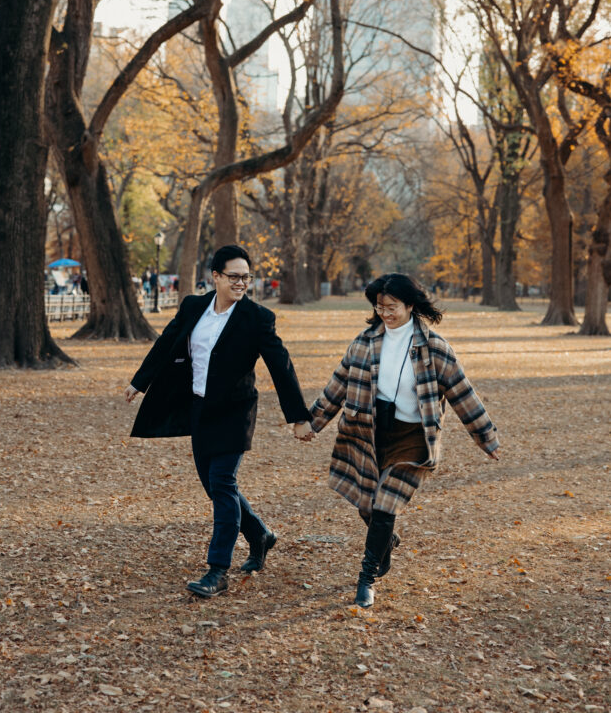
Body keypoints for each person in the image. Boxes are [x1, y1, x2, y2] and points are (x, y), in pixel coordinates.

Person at [125, 244, 314, 598]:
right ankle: (259, 534)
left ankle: (217, 570)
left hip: (235, 412)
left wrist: (298, 418)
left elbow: (281, 366)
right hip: (199, 410)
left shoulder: (257, 318)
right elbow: (167, 342)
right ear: (215, 276)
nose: (242, 283)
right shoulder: (195, 307)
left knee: (223, 482)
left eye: (247, 277)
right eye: (234, 276)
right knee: (214, 486)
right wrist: (140, 381)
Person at [308, 273, 499, 609]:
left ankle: (367, 577)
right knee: (368, 503)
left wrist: (485, 436)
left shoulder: (434, 349)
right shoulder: (364, 342)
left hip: (413, 437)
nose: (385, 312)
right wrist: (313, 422)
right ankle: (385, 541)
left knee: (384, 505)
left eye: (392, 306)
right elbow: (338, 384)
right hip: (367, 430)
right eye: (379, 306)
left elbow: (461, 391)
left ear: (411, 305)